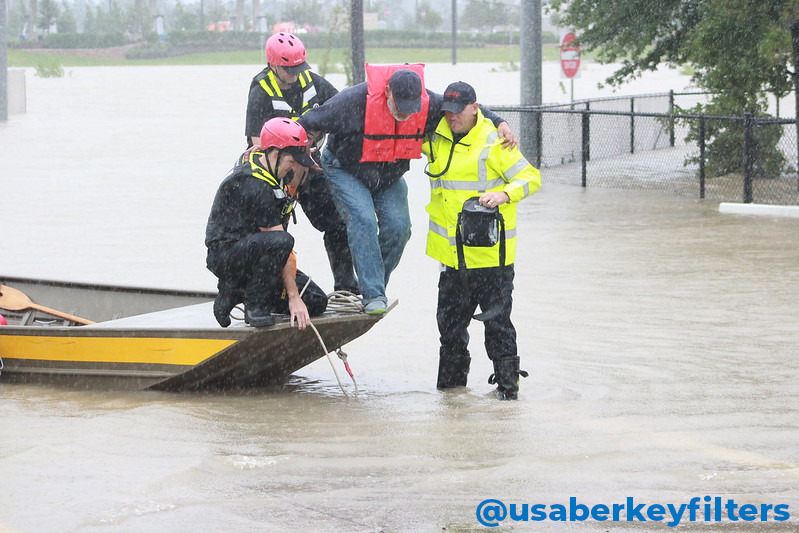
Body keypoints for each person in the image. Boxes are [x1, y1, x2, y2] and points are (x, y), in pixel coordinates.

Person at [298, 64, 519, 315]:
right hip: (345, 168)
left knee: (400, 228)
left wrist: (499, 122)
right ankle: (372, 295)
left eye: (410, 108)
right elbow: (306, 122)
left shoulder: (429, 103)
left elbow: (472, 109)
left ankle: (372, 284)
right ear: (388, 92)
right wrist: (298, 149)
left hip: (388, 175)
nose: (405, 113)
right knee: (363, 221)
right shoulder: (352, 101)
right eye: (400, 106)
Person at [421, 81, 541, 400]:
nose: (452, 118)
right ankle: (451, 397)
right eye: (447, 112)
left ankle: (508, 394)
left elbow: (531, 178)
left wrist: (504, 194)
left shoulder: (495, 142)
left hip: (493, 264)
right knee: (450, 333)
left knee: (498, 329)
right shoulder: (436, 138)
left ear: (475, 108)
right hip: (452, 262)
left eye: (458, 112)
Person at [245, 32, 358, 294]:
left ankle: (346, 286)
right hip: (276, 173)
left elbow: (344, 109)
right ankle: (270, 293)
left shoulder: (312, 81)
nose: (295, 73)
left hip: (310, 166)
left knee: (337, 222)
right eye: (288, 69)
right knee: (274, 237)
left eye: (299, 67)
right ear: (273, 65)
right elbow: (256, 141)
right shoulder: (261, 91)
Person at [205, 117, 328, 328]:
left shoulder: (271, 166)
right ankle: (253, 305)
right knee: (282, 241)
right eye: (292, 161)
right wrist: (293, 297)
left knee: (316, 301)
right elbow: (281, 244)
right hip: (227, 255)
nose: (293, 168)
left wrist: (302, 155)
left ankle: (238, 292)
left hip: (259, 255)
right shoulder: (254, 185)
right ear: (274, 154)